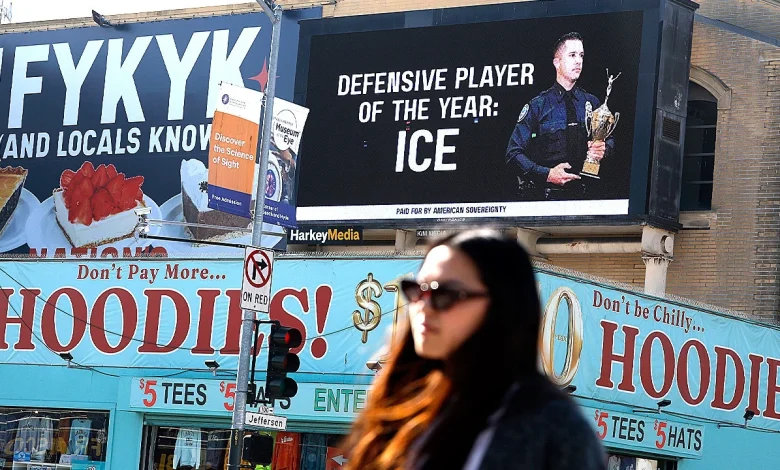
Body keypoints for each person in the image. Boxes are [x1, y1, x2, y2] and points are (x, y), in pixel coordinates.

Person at [342, 229, 606, 470]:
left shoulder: (555, 428)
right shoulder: (399, 405)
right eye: (417, 291)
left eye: (446, 294)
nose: (424, 307)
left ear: (503, 305)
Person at [505, 32, 614, 201]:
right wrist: (547, 174)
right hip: (547, 197)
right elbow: (513, 153)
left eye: (581, 55)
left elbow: (610, 139)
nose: (578, 61)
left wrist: (604, 149)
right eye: (572, 55)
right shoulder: (538, 105)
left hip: (588, 197)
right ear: (557, 62)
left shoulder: (592, 103)